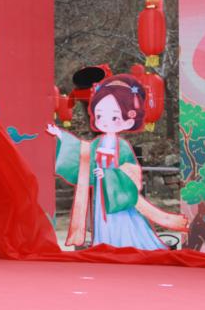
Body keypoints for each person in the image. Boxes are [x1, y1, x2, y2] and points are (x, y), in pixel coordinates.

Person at [47, 75, 188, 249]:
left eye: (114, 118)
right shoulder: (97, 143)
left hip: (117, 195)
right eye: (100, 115)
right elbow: (83, 154)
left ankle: (125, 244)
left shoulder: (122, 146)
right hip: (101, 192)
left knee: (122, 221)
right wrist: (61, 135)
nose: (105, 121)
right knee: (102, 218)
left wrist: (108, 174)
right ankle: (105, 243)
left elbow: (131, 172)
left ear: (128, 121)